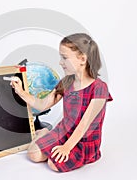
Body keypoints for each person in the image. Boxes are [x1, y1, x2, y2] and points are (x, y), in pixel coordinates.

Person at [10, 33, 113, 172]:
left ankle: (59, 143)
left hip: (83, 141)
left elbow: (84, 125)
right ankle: (44, 132)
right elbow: (42, 104)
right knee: (33, 154)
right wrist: (21, 91)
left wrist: (66, 147)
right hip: (63, 132)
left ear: (82, 59)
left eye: (64, 57)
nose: (60, 62)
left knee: (53, 164)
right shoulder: (66, 82)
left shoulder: (99, 88)